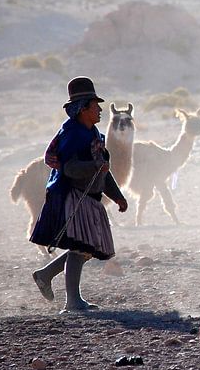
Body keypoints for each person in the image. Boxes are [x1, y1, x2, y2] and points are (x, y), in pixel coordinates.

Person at [30, 76, 128, 313]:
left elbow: (103, 170)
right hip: (72, 195)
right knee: (81, 247)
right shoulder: (73, 134)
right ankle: (73, 303)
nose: (100, 109)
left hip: (88, 197)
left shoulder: (92, 133)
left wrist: (117, 196)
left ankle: (46, 274)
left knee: (87, 247)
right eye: (96, 105)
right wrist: (95, 167)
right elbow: (70, 168)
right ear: (83, 108)